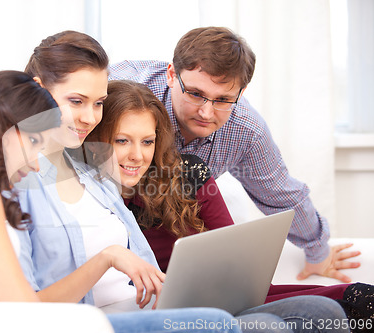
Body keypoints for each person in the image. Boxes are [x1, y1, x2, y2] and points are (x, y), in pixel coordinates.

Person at [0, 69, 249, 333]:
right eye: (32, 144)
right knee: (215, 323)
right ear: (5, 127)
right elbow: (23, 310)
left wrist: (110, 257)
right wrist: (107, 258)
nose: (34, 164)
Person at [86, 79, 373, 332]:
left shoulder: (189, 174)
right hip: (165, 311)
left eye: (147, 142)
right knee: (288, 321)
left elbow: (240, 258)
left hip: (222, 298)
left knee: (346, 306)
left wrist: (316, 248)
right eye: (122, 140)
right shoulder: (88, 198)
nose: (137, 155)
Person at [108, 26, 361, 283]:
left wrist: (318, 253)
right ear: (172, 74)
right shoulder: (117, 89)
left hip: (168, 234)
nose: (206, 113)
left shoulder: (246, 131)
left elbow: (281, 194)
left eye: (223, 99)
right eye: (196, 94)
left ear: (242, 92)